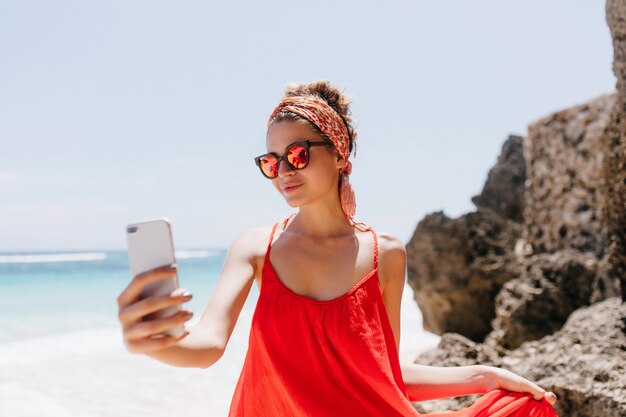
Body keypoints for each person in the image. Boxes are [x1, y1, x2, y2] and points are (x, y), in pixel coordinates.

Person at [116, 80, 559, 416]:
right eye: (271, 162)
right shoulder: (255, 248)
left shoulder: (386, 254)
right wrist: (153, 343)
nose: (283, 171)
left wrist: (484, 376)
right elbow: (208, 346)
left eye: (298, 154)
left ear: (339, 153)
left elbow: (383, 374)